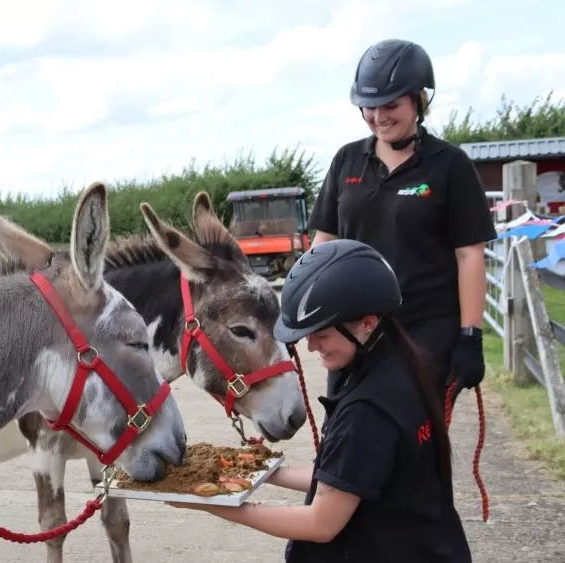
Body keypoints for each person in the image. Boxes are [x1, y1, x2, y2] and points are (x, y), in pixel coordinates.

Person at [167, 239, 472, 562]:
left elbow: (320, 523)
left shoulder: (368, 411)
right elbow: (347, 478)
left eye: (321, 334)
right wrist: (264, 470)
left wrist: (208, 501)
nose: (311, 347)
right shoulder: (402, 369)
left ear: (367, 323)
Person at [307, 38, 497, 404]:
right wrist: (304, 306)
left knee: (415, 447)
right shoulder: (346, 161)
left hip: (425, 332)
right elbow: (324, 242)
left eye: (391, 105)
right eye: (368, 107)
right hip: (354, 332)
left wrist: (470, 335)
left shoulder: (450, 166)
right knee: (347, 440)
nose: (379, 117)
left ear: (419, 99)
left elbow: (469, 255)